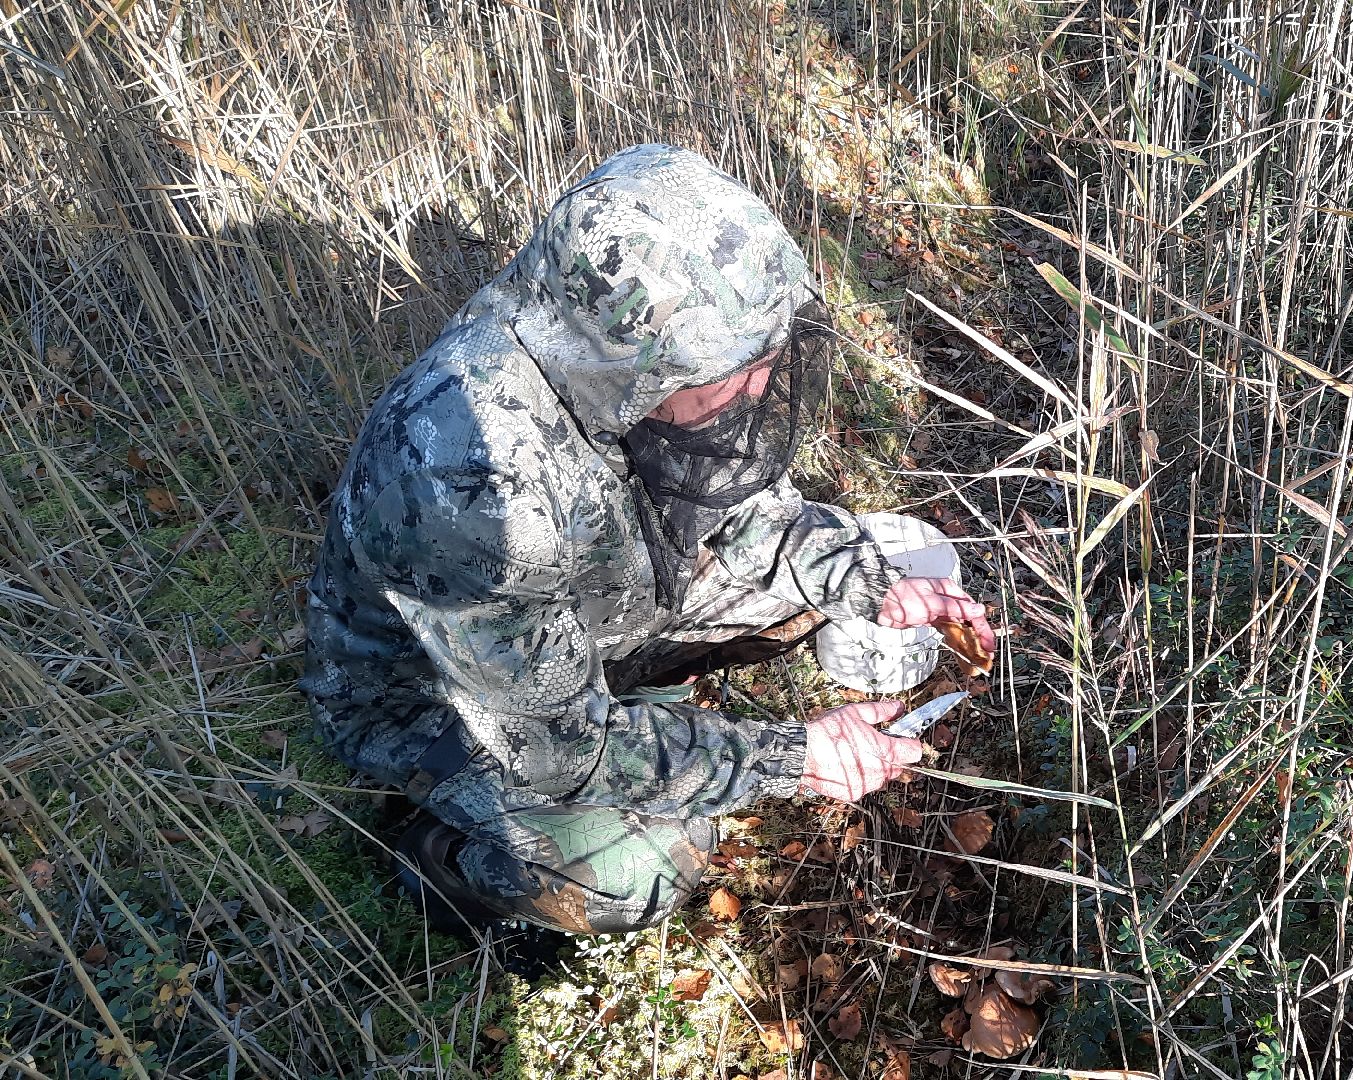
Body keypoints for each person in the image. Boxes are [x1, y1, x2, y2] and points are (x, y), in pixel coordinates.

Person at [300, 145, 996, 935]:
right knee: (646, 865)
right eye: (734, 370)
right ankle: (445, 858)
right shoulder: (469, 487)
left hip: (579, 627)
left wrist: (875, 584)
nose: (760, 388)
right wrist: (792, 757)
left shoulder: (629, 381)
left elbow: (745, 512)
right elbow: (564, 750)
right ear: (632, 361)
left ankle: (640, 694)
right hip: (436, 702)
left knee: (860, 563)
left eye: (767, 358)